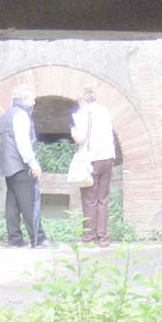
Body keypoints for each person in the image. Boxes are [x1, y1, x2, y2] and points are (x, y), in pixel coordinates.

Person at [0, 84, 55, 248]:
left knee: (12, 204)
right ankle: (39, 238)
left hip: (8, 167)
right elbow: (23, 143)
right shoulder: (21, 115)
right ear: (25, 99)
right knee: (30, 203)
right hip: (21, 166)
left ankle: (15, 239)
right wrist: (33, 163)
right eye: (31, 99)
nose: (34, 102)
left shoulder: (5, 116)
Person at [71, 87, 116, 247]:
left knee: (89, 199)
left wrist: (74, 134)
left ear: (83, 100)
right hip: (107, 158)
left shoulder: (82, 114)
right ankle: (103, 236)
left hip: (90, 160)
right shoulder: (106, 112)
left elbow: (81, 139)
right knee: (103, 198)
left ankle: (88, 237)